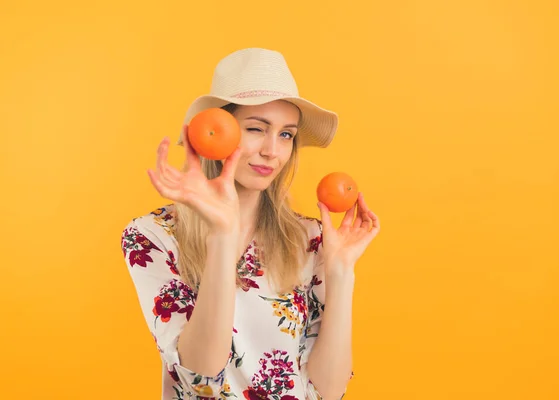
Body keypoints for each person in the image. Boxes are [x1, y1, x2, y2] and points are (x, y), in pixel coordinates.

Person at [121, 48, 380, 400]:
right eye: (256, 129)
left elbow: (329, 391)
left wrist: (341, 272)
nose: (272, 151)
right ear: (215, 131)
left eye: (286, 135)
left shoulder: (310, 238)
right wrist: (224, 235)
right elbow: (201, 375)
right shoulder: (152, 237)